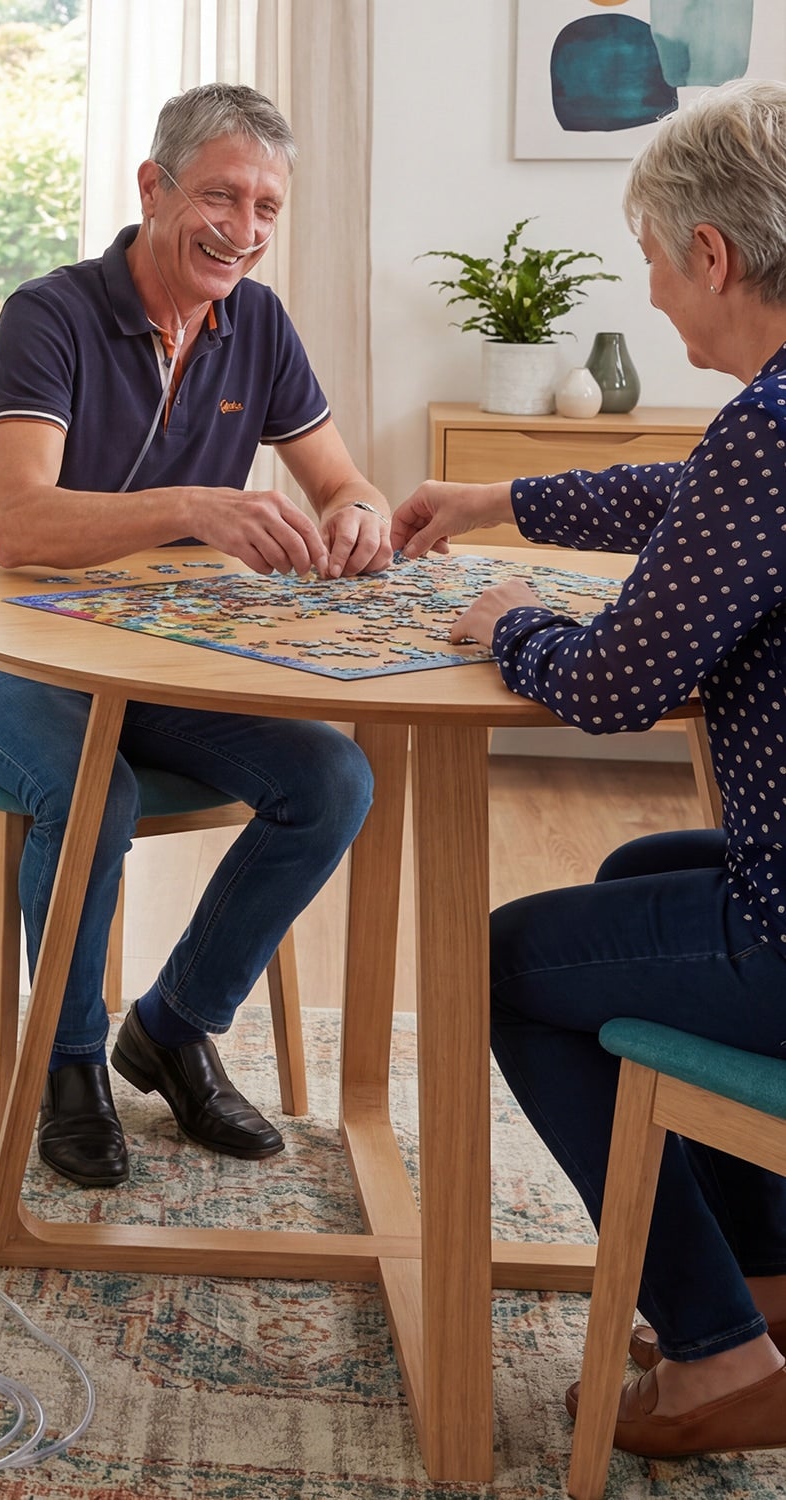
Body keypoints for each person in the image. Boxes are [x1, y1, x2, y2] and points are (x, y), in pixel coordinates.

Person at [391, 78, 786, 1462]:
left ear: (714, 257)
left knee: (502, 967)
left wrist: (514, 621)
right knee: (635, 870)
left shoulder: (774, 429)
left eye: (654, 266)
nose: (661, 303)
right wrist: (501, 499)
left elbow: (615, 687)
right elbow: (687, 495)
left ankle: (716, 1350)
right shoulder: (773, 425)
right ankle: (770, 1290)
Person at [0, 83, 390, 1188]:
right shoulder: (52, 313)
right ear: (153, 187)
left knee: (332, 777)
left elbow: (339, 478)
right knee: (101, 794)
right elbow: (18, 521)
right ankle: (71, 1061)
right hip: (4, 659)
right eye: (223, 195)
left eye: (269, 205)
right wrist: (196, 505)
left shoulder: (258, 324)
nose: (247, 227)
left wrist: (360, 510)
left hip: (158, 665)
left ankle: (174, 1025)